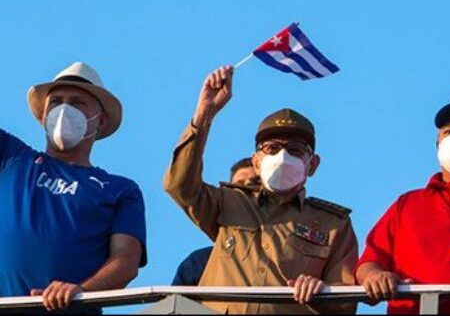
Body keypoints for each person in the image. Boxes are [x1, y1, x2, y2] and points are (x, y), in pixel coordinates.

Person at [163, 66, 358, 314]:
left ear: (313, 165)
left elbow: (345, 304)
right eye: (272, 148)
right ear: (256, 161)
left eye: (295, 150)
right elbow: (178, 185)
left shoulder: (333, 225)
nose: (283, 156)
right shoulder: (229, 203)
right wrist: (204, 114)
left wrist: (320, 292)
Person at [0, 62, 147, 313]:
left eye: (78, 103)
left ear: (100, 121)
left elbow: (126, 262)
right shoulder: (12, 157)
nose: (64, 109)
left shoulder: (119, 190)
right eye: (56, 101)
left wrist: (82, 291)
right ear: (44, 115)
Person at [356, 92, 450, 314]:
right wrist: (375, 276)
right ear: (438, 145)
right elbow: (369, 262)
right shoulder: (407, 205)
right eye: (449, 132)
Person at [172, 158, 259, 286]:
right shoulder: (199, 263)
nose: (247, 187)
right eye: (239, 184)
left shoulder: (291, 260)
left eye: (256, 182)